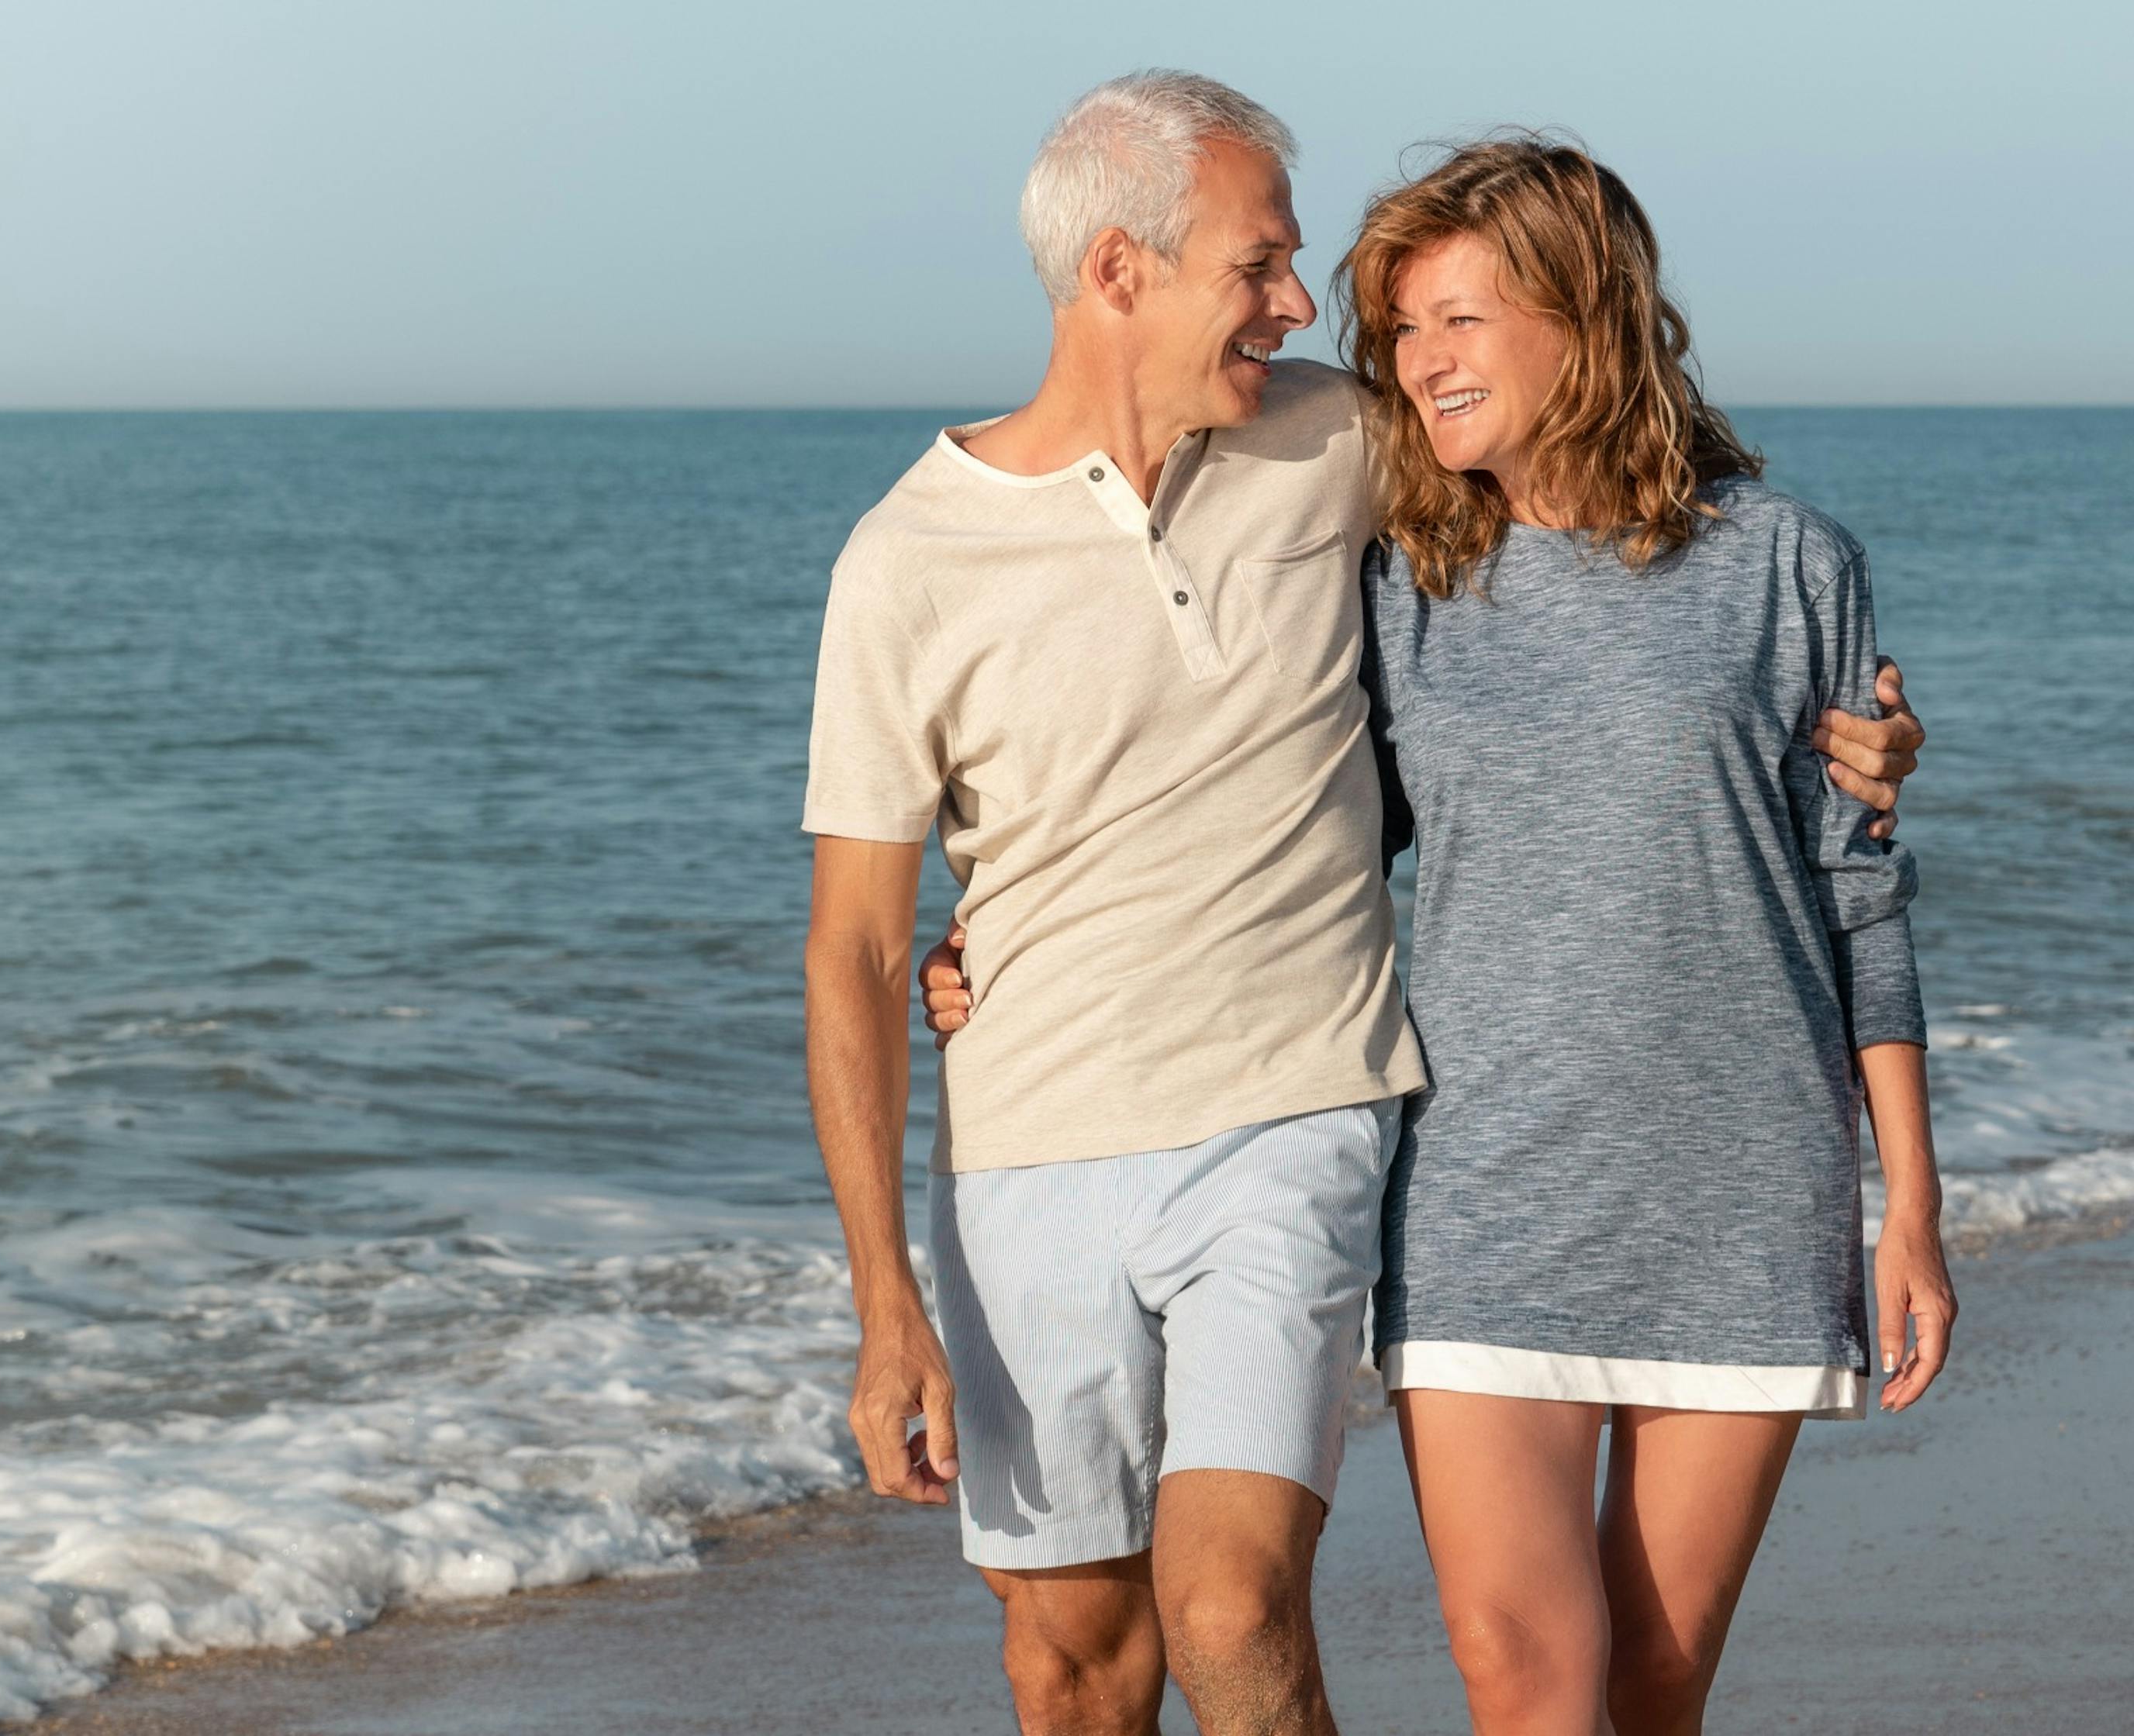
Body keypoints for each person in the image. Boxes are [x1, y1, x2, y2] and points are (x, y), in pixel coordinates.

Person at [804, 75, 1923, 1736]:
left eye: (1413, 310)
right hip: (1166, 1150)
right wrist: (902, 1240)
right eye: (1266, 268)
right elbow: (879, 936)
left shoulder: (1368, 451)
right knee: (1110, 1667)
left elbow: (1788, 797)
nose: (1312, 313)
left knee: (1295, 1619)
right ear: (1122, 270)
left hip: (1353, 1121)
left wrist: (1853, 755)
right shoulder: (949, 555)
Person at [1341, 138, 1954, 1734]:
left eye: (1462, 319)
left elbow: (1861, 892)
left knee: (1660, 1683)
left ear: (1585, 312)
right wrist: (1010, 939)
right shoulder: (1401, 581)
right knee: (1522, 1673)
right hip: (1485, 1187)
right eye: (1405, 330)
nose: (1424, 363)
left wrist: (1912, 1211)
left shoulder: (1786, 565)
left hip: (1739, 1186)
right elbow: (1291, 845)